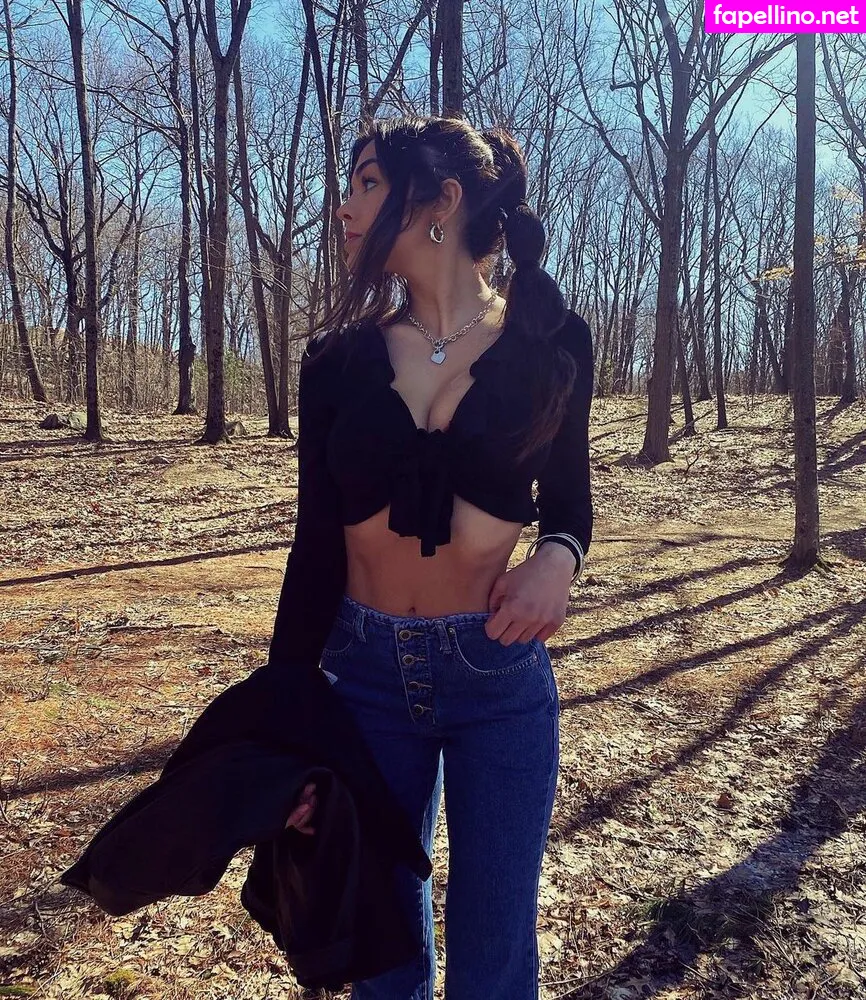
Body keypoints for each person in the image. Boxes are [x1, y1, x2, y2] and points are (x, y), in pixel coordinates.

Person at [269, 114, 593, 1000]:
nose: (344, 208)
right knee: (383, 953)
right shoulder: (336, 360)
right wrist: (290, 717)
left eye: (368, 183)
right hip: (364, 678)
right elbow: (313, 546)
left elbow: (570, 507)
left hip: (497, 676)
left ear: (440, 202)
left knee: (494, 951)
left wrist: (557, 559)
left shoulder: (551, 341)